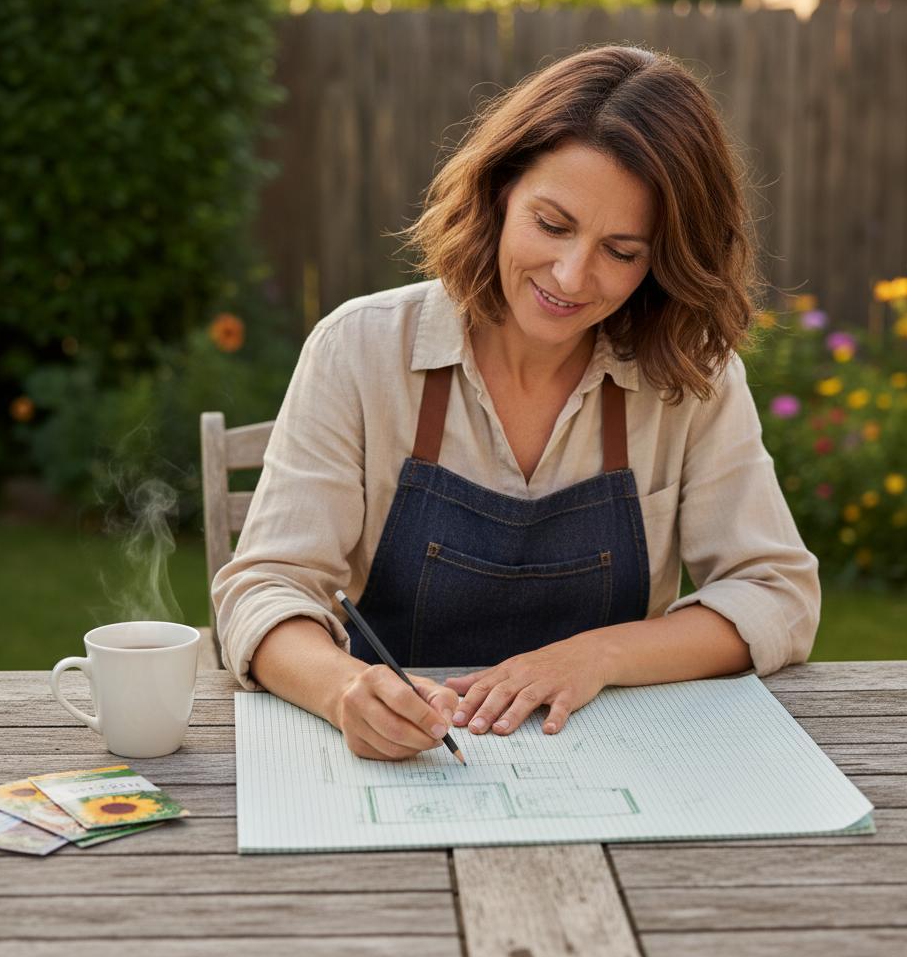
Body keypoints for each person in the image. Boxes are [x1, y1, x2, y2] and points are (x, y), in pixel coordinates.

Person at [212, 44, 820, 763]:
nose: (571, 275)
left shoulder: (692, 378)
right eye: (553, 225)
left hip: (614, 765)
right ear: (500, 190)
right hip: (402, 769)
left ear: (663, 260)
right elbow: (264, 589)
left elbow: (776, 595)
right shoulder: (360, 349)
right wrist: (344, 691)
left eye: (621, 252)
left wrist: (598, 657)